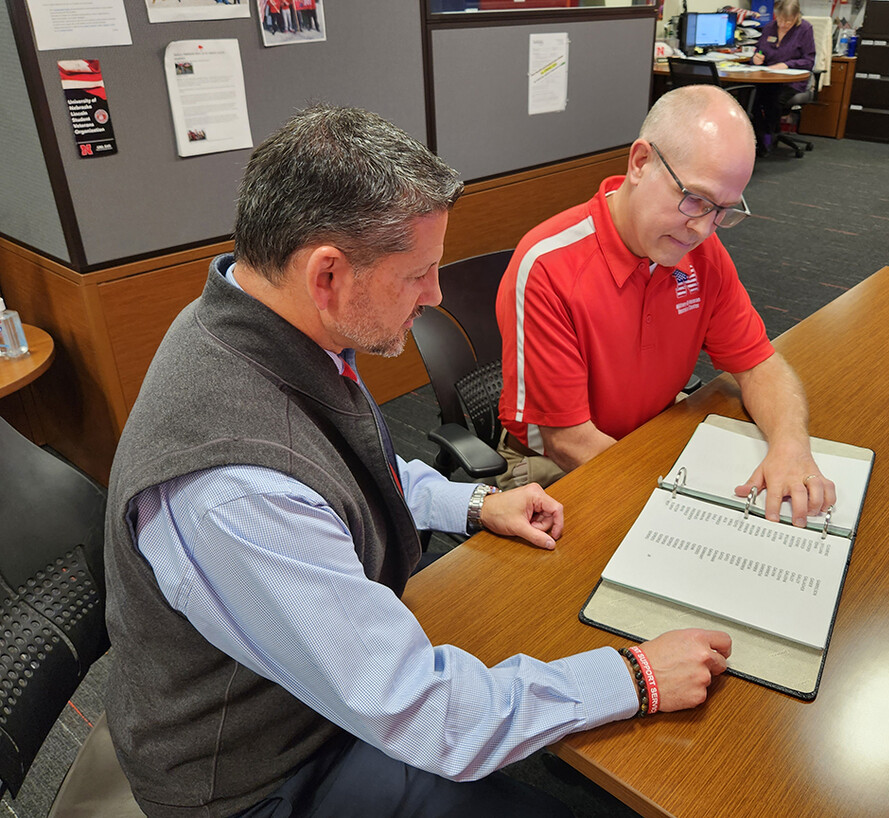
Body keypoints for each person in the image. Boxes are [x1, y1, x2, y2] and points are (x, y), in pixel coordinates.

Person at [103, 104, 734, 818]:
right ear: (328, 276)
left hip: (318, 698)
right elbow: (426, 717)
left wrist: (468, 502)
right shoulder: (236, 490)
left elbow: (341, 466)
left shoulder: (257, 315)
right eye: (420, 275)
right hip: (263, 778)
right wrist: (636, 676)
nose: (435, 296)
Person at [495, 85, 835, 526]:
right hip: (551, 468)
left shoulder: (701, 255)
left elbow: (759, 365)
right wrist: (681, 504)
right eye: (694, 198)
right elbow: (568, 442)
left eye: (723, 211)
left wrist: (791, 448)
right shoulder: (548, 267)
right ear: (640, 163)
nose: (702, 228)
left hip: (648, 437)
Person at [751, 0, 816, 155]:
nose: (783, 24)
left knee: (773, 101)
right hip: (767, 78)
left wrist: (787, 65)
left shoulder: (805, 29)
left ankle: (766, 138)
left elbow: (809, 61)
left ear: (797, 17)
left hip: (792, 81)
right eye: (780, 19)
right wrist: (756, 58)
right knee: (750, 98)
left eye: (789, 21)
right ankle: (763, 137)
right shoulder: (769, 28)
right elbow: (759, 51)